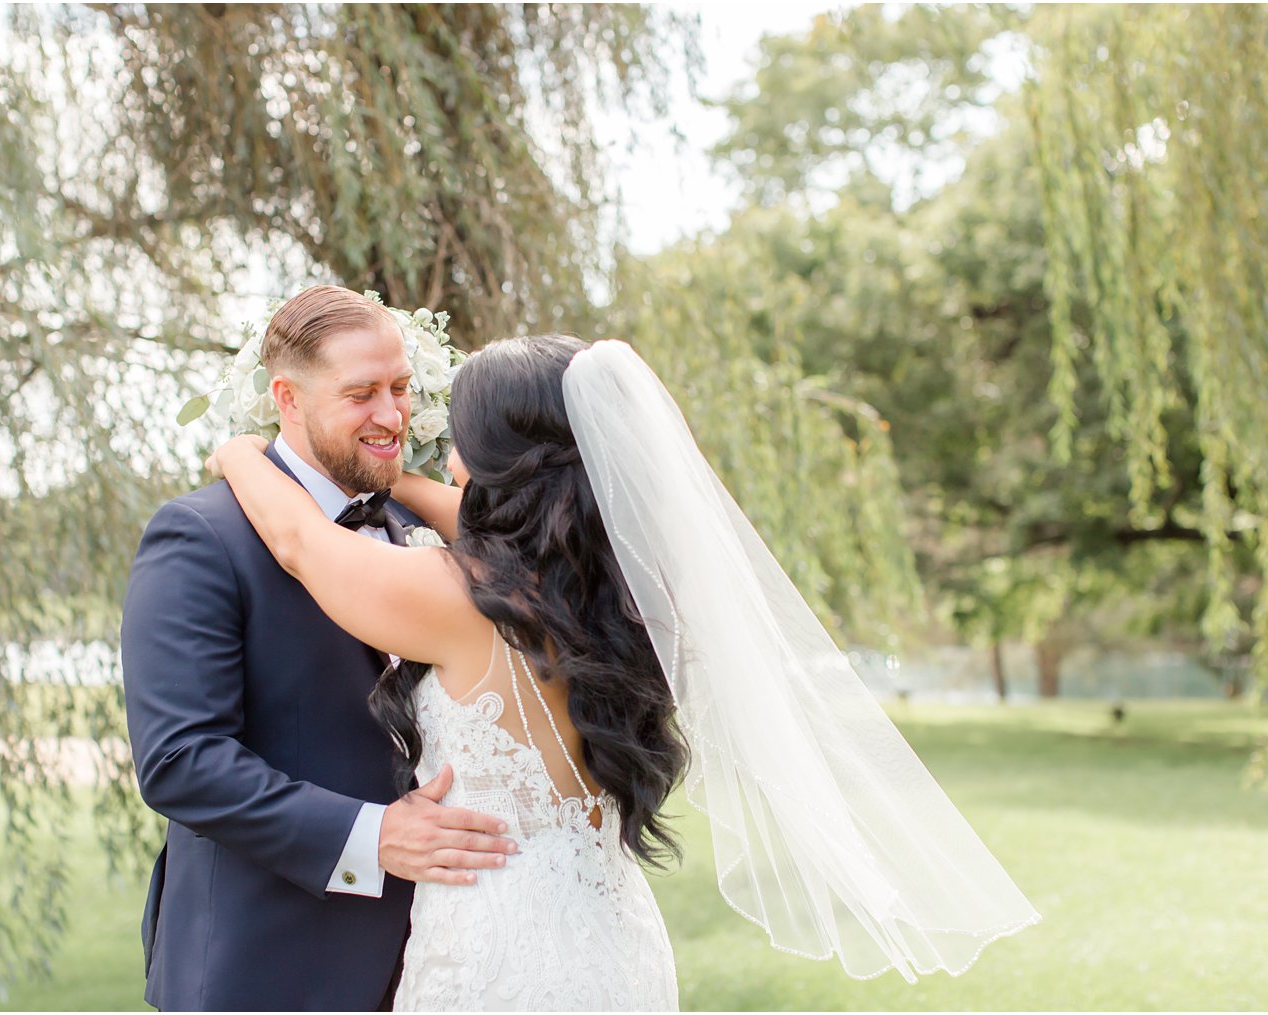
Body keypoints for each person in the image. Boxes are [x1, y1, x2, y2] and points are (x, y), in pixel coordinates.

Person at [207, 333, 1040, 1009]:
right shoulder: (630, 585)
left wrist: (240, 449)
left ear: (495, 455)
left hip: (503, 956)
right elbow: (485, 521)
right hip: (615, 946)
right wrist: (423, 486)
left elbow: (299, 541)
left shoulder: (452, 594)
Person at [120, 286, 515, 1012]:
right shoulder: (201, 537)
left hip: (432, 961)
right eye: (361, 393)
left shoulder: (408, 523)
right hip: (269, 966)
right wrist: (372, 835)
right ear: (288, 400)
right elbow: (180, 759)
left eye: (400, 387)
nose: (393, 415)